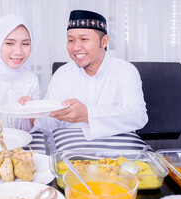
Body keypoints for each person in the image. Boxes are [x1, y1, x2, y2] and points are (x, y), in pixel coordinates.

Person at [21, 10, 148, 140]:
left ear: (104, 41)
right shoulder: (63, 74)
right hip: (71, 152)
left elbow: (138, 116)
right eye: (71, 40)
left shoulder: (125, 71)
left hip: (119, 152)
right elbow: (51, 123)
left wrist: (88, 114)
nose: (76, 47)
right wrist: (34, 112)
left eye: (84, 39)